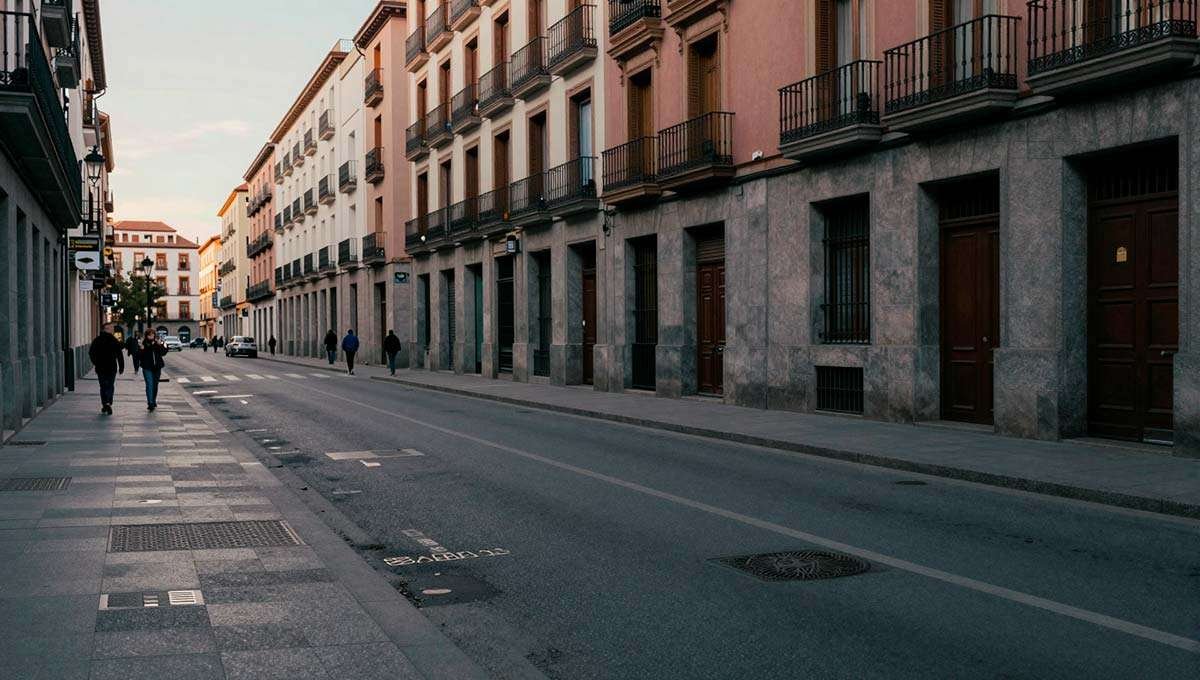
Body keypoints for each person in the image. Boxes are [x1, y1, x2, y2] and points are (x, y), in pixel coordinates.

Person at [88, 323, 125, 415]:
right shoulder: (113, 340)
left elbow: (91, 353)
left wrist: (96, 363)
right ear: (105, 329)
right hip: (111, 367)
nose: (113, 330)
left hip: (101, 367)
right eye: (111, 328)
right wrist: (121, 367)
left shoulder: (97, 340)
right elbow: (119, 355)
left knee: (103, 386)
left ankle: (105, 403)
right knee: (110, 385)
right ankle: (108, 402)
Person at [137, 329, 168, 411]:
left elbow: (163, 353)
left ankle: (153, 400)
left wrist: (160, 345)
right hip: (147, 367)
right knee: (149, 384)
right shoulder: (143, 344)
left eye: (152, 335)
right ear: (146, 336)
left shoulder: (157, 343)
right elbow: (138, 356)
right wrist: (141, 349)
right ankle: (150, 403)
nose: (151, 336)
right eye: (149, 335)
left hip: (157, 367)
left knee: (155, 385)